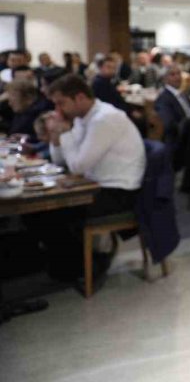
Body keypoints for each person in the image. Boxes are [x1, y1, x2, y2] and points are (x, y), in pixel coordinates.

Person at [37, 74, 146, 282]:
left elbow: (77, 167)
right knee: (42, 214)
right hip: (97, 185)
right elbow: (61, 162)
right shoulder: (82, 118)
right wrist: (55, 135)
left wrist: (66, 132)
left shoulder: (104, 119)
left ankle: (86, 266)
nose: (58, 111)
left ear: (79, 97)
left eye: (61, 104)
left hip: (120, 192)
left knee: (53, 213)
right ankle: (71, 264)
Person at [154, 64, 190, 145]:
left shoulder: (183, 94)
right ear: (165, 79)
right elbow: (170, 126)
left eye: (179, 73)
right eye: (172, 74)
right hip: (179, 141)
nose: (177, 77)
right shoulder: (163, 99)